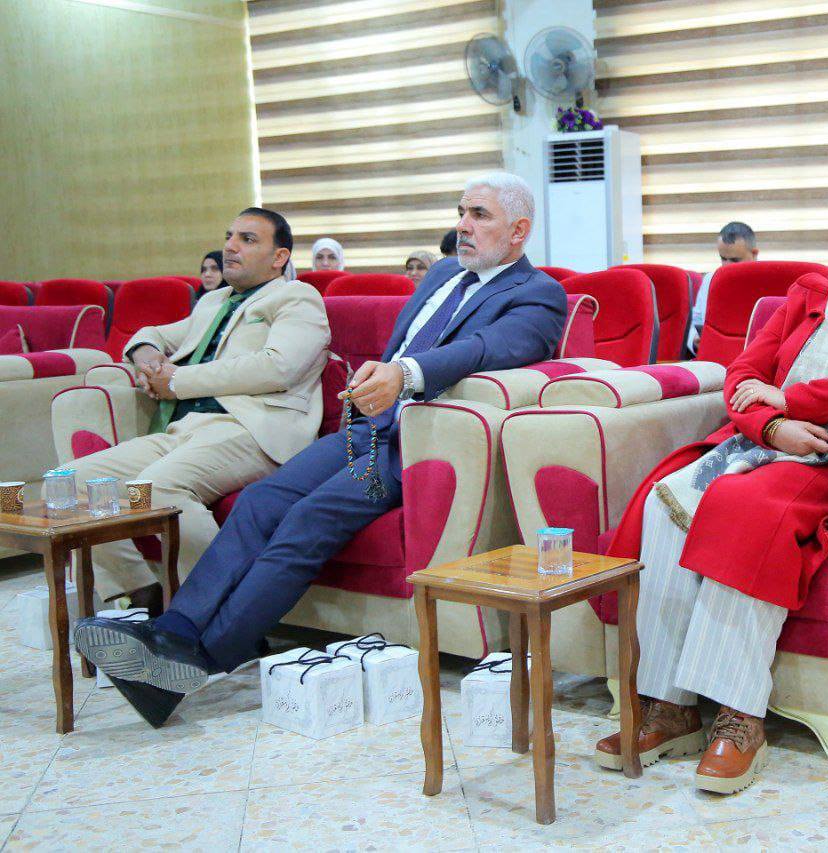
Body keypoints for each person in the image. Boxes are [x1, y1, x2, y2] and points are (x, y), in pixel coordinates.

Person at [74, 173, 568, 727]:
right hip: (364, 429)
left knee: (308, 518)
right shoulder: (443, 275)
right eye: (461, 212)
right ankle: (174, 631)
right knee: (260, 502)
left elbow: (487, 347)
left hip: (421, 441)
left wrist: (405, 374)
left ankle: (200, 660)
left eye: (479, 215)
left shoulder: (538, 294)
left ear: (519, 230)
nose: (463, 226)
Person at [593, 192, 828, 793]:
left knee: (744, 509)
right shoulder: (808, 293)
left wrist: (795, 402)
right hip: (763, 442)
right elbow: (744, 373)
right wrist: (771, 426)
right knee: (666, 501)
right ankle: (668, 706)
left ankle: (740, 716)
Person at [62, 208, 330, 615]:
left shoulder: (297, 297)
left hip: (250, 429)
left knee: (157, 488)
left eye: (247, 240)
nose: (230, 247)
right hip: (185, 428)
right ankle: (140, 595)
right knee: (74, 482)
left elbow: (278, 367)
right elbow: (153, 334)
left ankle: (219, 610)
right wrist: (146, 355)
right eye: (229, 237)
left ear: (280, 257)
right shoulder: (214, 301)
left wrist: (177, 381)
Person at [685, 222, 760, 356]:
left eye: (735, 260)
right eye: (723, 258)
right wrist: (694, 340)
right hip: (715, 357)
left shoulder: (768, 279)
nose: (727, 266)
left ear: (754, 254)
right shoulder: (711, 280)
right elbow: (695, 321)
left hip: (756, 357)